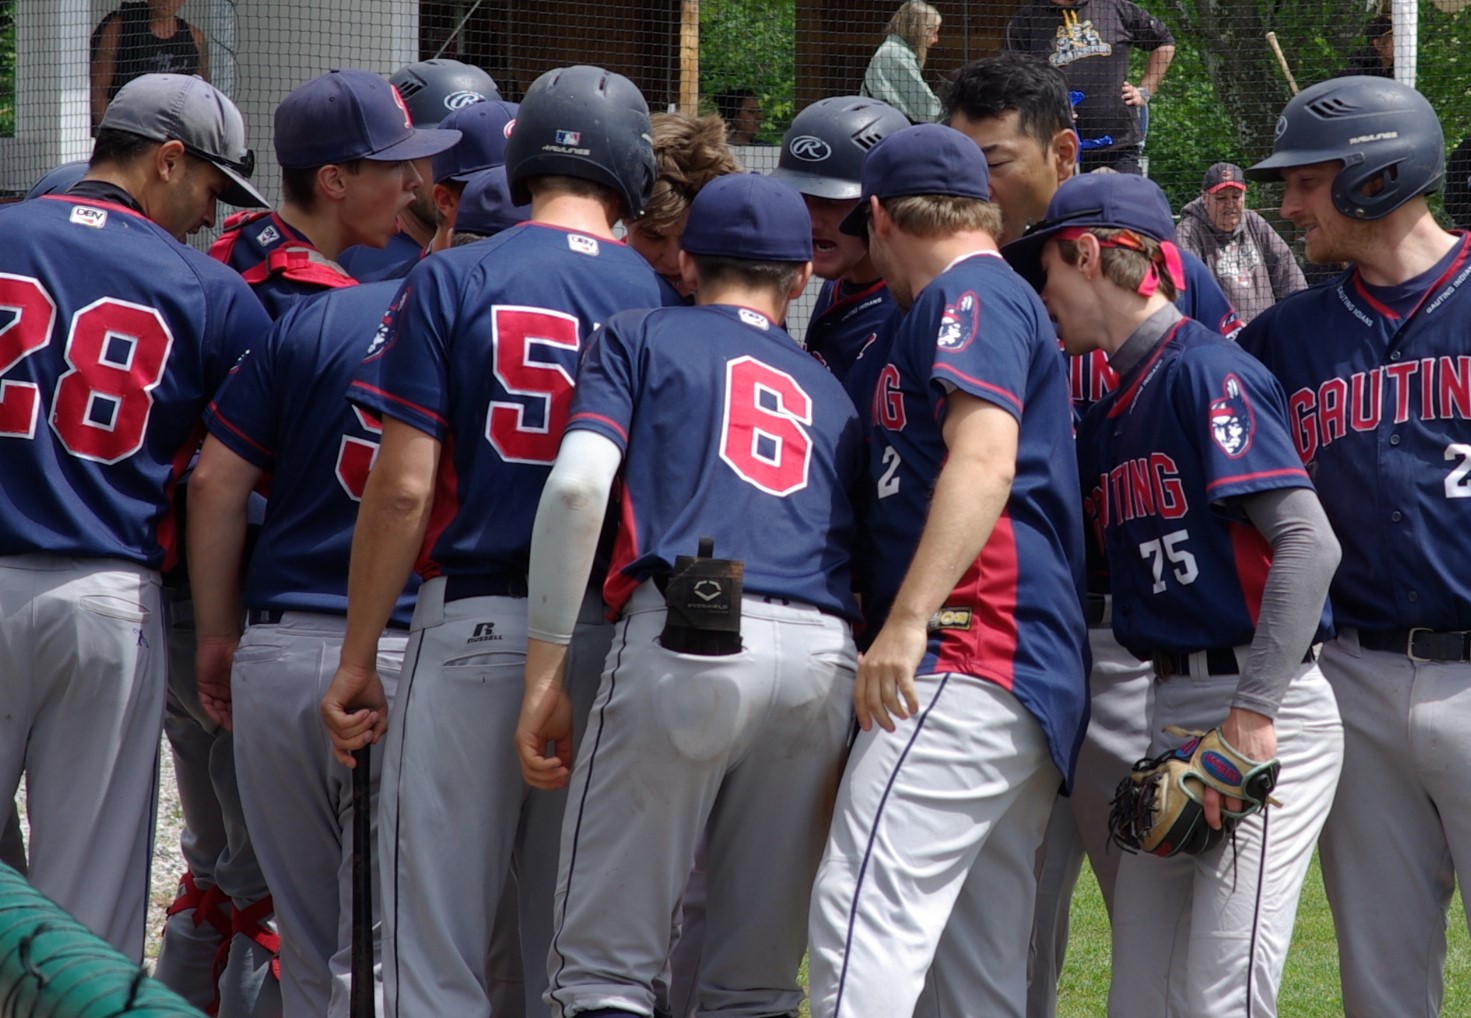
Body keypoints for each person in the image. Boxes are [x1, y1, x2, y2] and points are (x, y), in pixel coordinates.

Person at [318, 64, 664, 1017]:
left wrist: (358, 657)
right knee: (568, 956)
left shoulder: (453, 273)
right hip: (603, 640)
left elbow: (402, 491)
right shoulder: (656, 292)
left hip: (471, 626)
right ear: (630, 167)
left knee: (432, 958)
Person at [515, 170, 861, 1018]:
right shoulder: (830, 385)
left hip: (689, 628)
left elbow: (576, 488)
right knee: (755, 985)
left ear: (685, 261)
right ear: (800, 277)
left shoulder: (639, 332)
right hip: (822, 655)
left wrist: (543, 673)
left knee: (603, 973)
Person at [1005, 171, 1344, 1017]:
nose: (1041, 296)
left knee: (1219, 992)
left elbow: (1308, 543)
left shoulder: (1205, 372)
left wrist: (1251, 715)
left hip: (1259, 707)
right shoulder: (1112, 410)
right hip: (1172, 709)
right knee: (1140, 995)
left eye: (1046, 270)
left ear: (1088, 256)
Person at [805, 123, 1088, 1018]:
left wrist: (907, 618)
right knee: (973, 968)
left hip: (968, 646)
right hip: (1011, 667)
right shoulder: (965, 297)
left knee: (862, 908)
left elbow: (985, 459)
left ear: (881, 217)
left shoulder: (969, 292)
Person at [0, 72, 268, 961]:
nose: (212, 214)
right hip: (108, 597)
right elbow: (229, 473)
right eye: (211, 186)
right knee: (89, 913)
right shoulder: (210, 289)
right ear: (168, 160)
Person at [1238, 74, 1471, 1018]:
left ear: (1377, 175)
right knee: (1380, 980)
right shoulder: (1283, 338)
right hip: (1352, 683)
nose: (1287, 205)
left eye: (1306, 181)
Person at [185, 274, 415, 1018]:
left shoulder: (321, 317)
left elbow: (213, 483)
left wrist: (216, 634)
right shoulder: (499, 319)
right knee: (382, 955)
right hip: (404, 652)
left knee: (307, 946)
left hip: (277, 650)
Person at [210, 69, 460, 319]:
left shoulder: (244, 241)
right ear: (335, 181)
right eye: (396, 165)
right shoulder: (311, 307)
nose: (415, 181)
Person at [770, 95, 910, 383]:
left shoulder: (908, 313)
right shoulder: (840, 282)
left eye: (830, 202)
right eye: (800, 198)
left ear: (883, 205)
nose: (811, 220)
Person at [338, 59, 502, 281]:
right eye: (442, 154)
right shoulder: (365, 269)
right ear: (400, 157)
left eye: (483, 158)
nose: (467, 177)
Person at [1003, 0, 1175, 173]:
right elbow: (1012, 79)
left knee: (1127, 191)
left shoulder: (1114, 7)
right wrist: (1047, 107)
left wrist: (1145, 90)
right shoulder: (1027, 20)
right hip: (1055, 148)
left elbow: (1164, 42)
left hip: (1118, 145)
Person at [624, 111, 743, 303]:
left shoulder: (748, 301)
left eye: (690, 237)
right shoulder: (593, 292)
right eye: (653, 237)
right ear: (624, 216)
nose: (673, 261)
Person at [1176, 162, 1307, 323]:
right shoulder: (1189, 232)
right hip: (1217, 333)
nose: (1230, 205)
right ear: (1205, 198)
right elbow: (1187, 291)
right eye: (1221, 198)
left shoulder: (1255, 222)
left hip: (1265, 329)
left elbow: (1288, 272)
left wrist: (1299, 317)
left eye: (1236, 197)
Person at [90, 0, 207, 129]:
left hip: (173, 131)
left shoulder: (194, 38)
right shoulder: (120, 29)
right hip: (127, 128)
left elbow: (203, 96)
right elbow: (98, 89)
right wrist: (109, 133)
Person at [860, 1, 944, 124]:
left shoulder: (893, 51)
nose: (936, 40)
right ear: (919, 31)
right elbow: (928, 111)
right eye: (933, 33)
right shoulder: (896, 55)